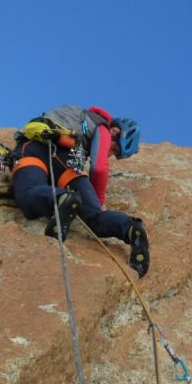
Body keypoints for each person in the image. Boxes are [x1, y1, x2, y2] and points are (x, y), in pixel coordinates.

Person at [10, 105, 149, 278]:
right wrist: (96, 202)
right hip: (67, 163)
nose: (110, 154)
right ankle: (130, 227)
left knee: (29, 193)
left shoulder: (78, 119)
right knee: (94, 217)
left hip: (35, 151)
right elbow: (99, 168)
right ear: (114, 131)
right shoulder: (102, 129)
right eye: (114, 149)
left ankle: (62, 198)